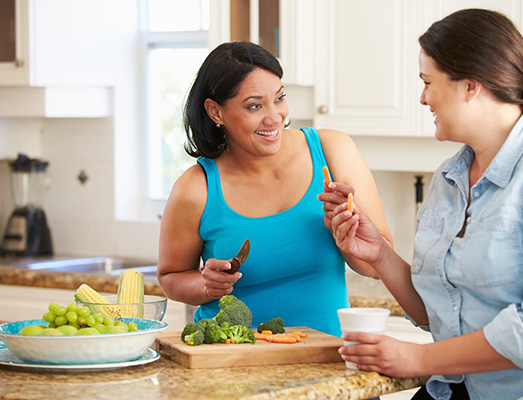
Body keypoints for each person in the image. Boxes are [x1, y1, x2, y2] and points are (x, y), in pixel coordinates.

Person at [320, 8, 523, 400]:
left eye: (428, 82)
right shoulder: (450, 176)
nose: (422, 98)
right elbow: (436, 314)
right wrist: (379, 254)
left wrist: (421, 360)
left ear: (471, 85)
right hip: (456, 389)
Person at [157, 41, 393, 337]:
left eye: (279, 99)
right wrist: (204, 285)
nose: (274, 117)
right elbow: (170, 276)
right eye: (254, 106)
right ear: (215, 112)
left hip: (326, 356)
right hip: (231, 363)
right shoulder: (196, 188)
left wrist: (347, 237)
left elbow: (378, 266)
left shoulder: (333, 151)